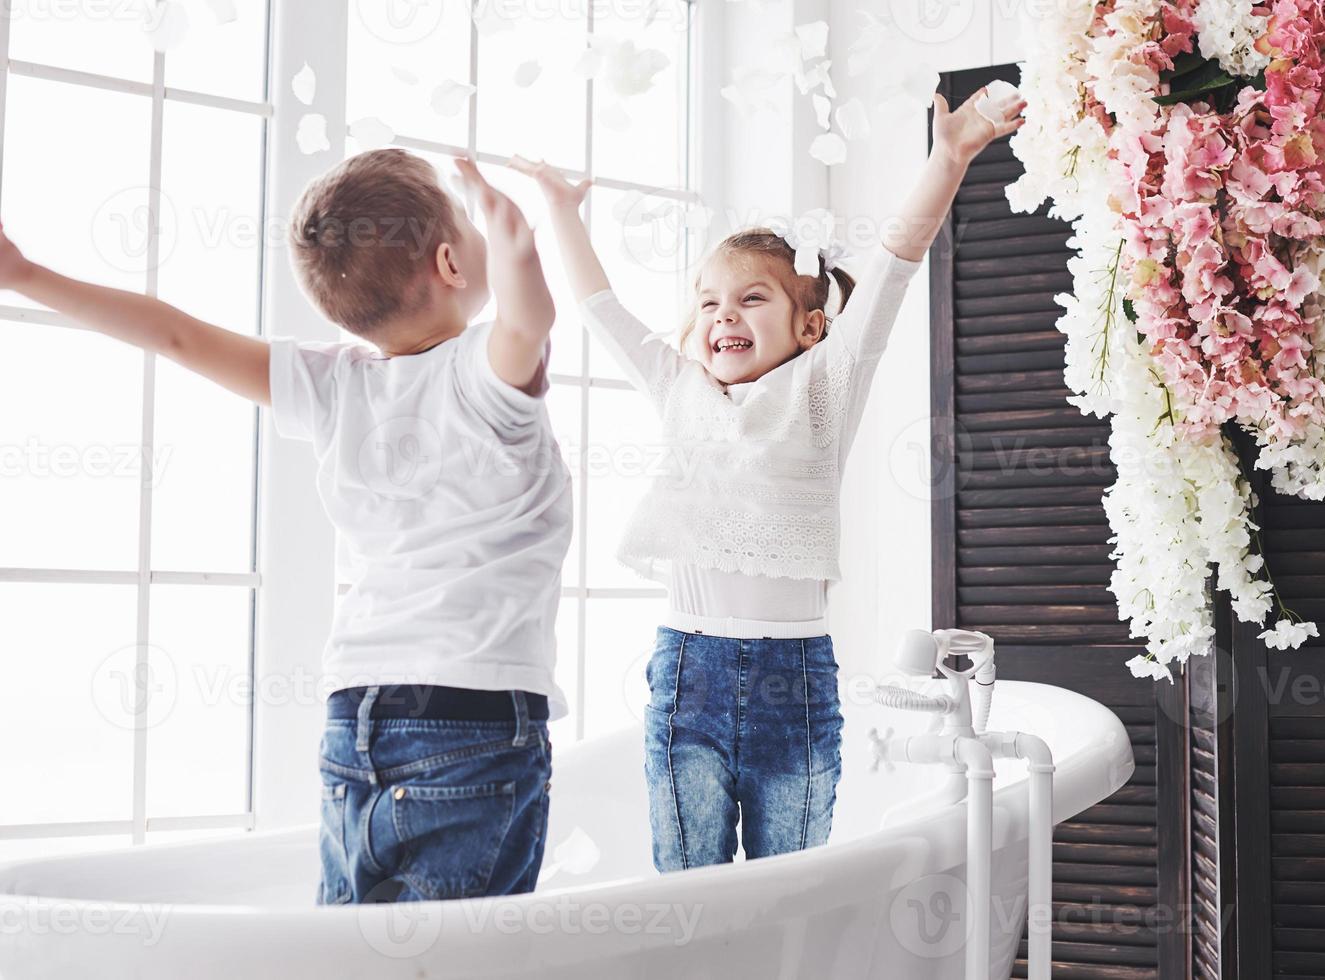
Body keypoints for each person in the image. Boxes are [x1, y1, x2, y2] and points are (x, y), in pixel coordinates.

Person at [0, 148, 573, 903]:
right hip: (470, 714)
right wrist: (519, 243)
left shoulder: (333, 385)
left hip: (354, 715)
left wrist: (26, 275)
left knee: (351, 951)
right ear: (451, 264)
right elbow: (529, 323)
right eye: (466, 224)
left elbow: (176, 336)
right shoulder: (481, 372)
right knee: (464, 956)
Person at [517, 83, 1026, 870]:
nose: (725, 316)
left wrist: (949, 158)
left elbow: (894, 266)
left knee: (789, 884)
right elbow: (598, 307)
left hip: (796, 684)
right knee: (690, 893)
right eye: (710, 302)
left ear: (810, 326)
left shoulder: (824, 388)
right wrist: (560, 209)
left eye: (752, 299)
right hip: (688, 673)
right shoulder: (678, 389)